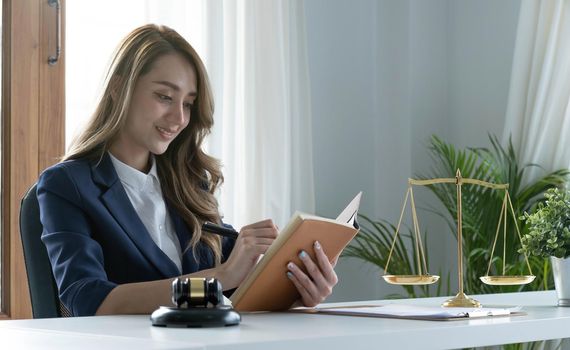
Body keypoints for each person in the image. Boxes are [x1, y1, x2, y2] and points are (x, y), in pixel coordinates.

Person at [37, 24, 338, 317]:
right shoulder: (67, 184)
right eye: (164, 97)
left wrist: (295, 290)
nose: (179, 118)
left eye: (189, 104)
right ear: (118, 87)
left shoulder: (190, 181)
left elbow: (235, 289)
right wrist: (218, 279)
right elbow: (88, 299)